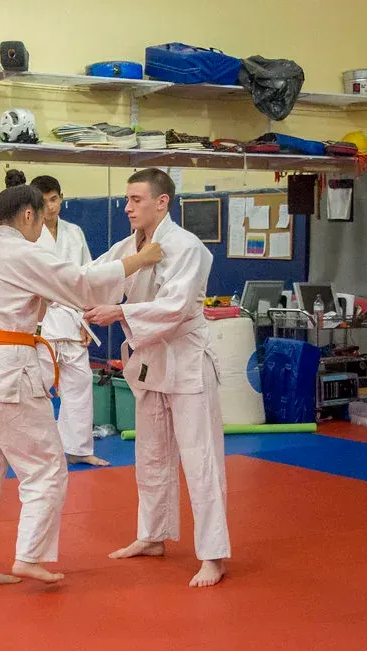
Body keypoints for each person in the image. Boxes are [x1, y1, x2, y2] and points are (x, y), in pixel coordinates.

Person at [0, 185, 162, 586]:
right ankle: (29, 556)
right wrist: (139, 260)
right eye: (40, 217)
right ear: (28, 215)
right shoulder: (20, 253)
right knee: (45, 467)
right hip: (6, 375)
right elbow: (81, 284)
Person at [83, 168, 230, 588]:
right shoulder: (129, 246)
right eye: (127, 200)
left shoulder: (187, 247)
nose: (127, 207)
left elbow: (176, 308)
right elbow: (95, 277)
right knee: (150, 455)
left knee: (200, 459)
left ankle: (214, 554)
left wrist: (121, 312)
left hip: (185, 361)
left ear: (162, 202)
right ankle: (152, 536)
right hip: (149, 361)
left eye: (136, 200)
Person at [30, 175, 108, 468]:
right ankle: (35, 450)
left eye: (54, 199)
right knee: (38, 385)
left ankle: (77, 447)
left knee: (80, 382)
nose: (50, 207)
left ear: (61, 198)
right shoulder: (28, 234)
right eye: (44, 201)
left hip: (74, 318)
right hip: (43, 318)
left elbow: (86, 277)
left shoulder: (74, 232)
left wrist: (87, 317)